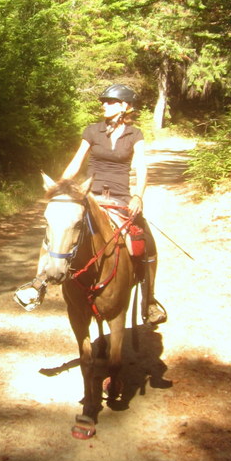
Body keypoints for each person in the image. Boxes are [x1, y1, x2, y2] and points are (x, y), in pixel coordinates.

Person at [60, 83, 166, 325]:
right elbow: (77, 161)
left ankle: (149, 301)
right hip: (91, 195)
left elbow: (141, 168)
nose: (104, 106)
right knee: (61, 228)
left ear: (125, 106)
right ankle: (41, 281)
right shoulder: (92, 131)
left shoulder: (135, 135)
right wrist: (61, 185)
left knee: (146, 243)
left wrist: (138, 196)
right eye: (103, 102)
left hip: (120, 197)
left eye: (110, 102)